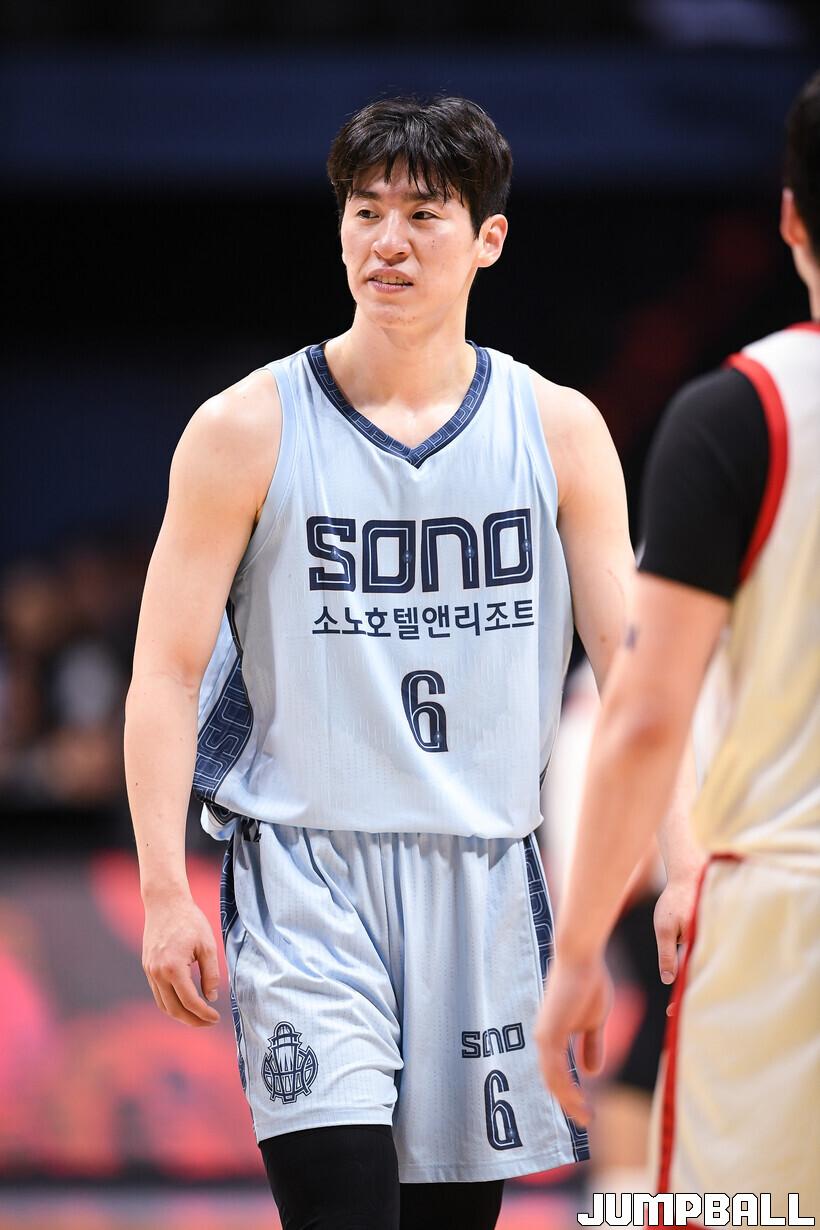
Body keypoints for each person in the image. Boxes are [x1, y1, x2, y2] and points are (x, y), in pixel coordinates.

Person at [124, 95, 696, 1230]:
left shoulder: (558, 429)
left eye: (424, 214)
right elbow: (165, 674)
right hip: (306, 879)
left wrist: (683, 862)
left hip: (482, 878)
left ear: (487, 239)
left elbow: (632, 676)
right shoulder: (244, 429)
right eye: (365, 210)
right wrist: (159, 889)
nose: (387, 240)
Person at [535, 71, 820, 1220]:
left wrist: (572, 954)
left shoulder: (741, 413)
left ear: (790, 217)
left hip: (780, 908)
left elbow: (644, 713)